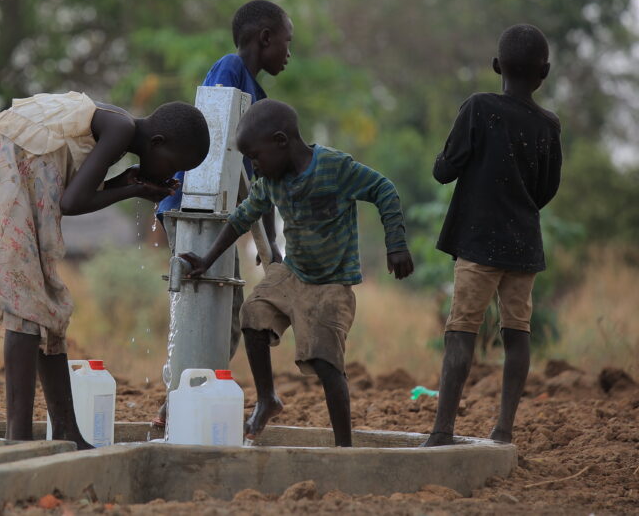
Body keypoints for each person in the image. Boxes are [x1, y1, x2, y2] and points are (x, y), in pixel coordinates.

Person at [0, 91, 210, 449]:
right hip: (7, 164)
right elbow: (73, 201)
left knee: (44, 302)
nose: (172, 174)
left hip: (10, 160)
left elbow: (77, 193)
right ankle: (17, 440)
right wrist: (134, 189)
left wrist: (126, 183)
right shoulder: (120, 129)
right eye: (174, 164)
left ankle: (67, 432)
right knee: (25, 303)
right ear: (158, 142)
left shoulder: (116, 124)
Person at [180, 99, 414, 446]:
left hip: (333, 283)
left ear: (281, 141)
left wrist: (396, 243)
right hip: (294, 273)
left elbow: (384, 189)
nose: (255, 167)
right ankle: (267, 398)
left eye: (256, 157)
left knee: (325, 358)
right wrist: (207, 259)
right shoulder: (270, 181)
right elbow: (242, 217)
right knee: (253, 313)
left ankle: (343, 446)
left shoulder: (335, 167)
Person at [422, 24, 562, 447]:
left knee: (462, 331)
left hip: (478, 243)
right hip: (523, 246)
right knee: (517, 333)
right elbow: (546, 189)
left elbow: (446, 169)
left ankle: (443, 430)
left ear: (497, 65)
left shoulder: (479, 108)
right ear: (545, 72)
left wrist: (443, 159)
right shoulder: (549, 125)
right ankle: (503, 430)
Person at [154, 0, 291, 426]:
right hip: (195, 208)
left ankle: (186, 399)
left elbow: (259, 178)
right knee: (206, 305)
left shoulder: (259, 96)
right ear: (264, 38)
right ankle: (179, 403)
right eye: (286, 42)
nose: (289, 53)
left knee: (224, 315)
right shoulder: (230, 70)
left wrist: (269, 247)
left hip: (220, 218)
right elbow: (212, 145)